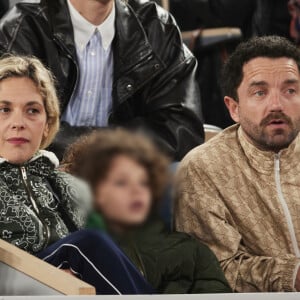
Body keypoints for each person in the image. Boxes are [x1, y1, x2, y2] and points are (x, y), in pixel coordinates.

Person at [0, 54, 155, 295]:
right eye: (3, 109)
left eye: (32, 110)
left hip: (71, 288)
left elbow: (116, 263)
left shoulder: (69, 185)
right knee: (85, 245)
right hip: (13, 286)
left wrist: (71, 278)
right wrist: (50, 279)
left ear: (47, 124)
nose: (18, 122)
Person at [0, 0, 204, 161]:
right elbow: (12, 128)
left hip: (128, 166)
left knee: (178, 177)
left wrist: (104, 150)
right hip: (45, 162)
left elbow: (181, 130)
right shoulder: (22, 26)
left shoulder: (157, 26)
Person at [175, 36, 300, 292]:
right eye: (260, 92)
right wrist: (293, 276)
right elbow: (214, 270)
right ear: (234, 108)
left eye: (290, 90)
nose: (277, 105)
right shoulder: (204, 169)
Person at [62, 128, 232, 294]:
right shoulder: (77, 247)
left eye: (144, 182)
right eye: (121, 182)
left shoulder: (193, 251)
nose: (137, 191)